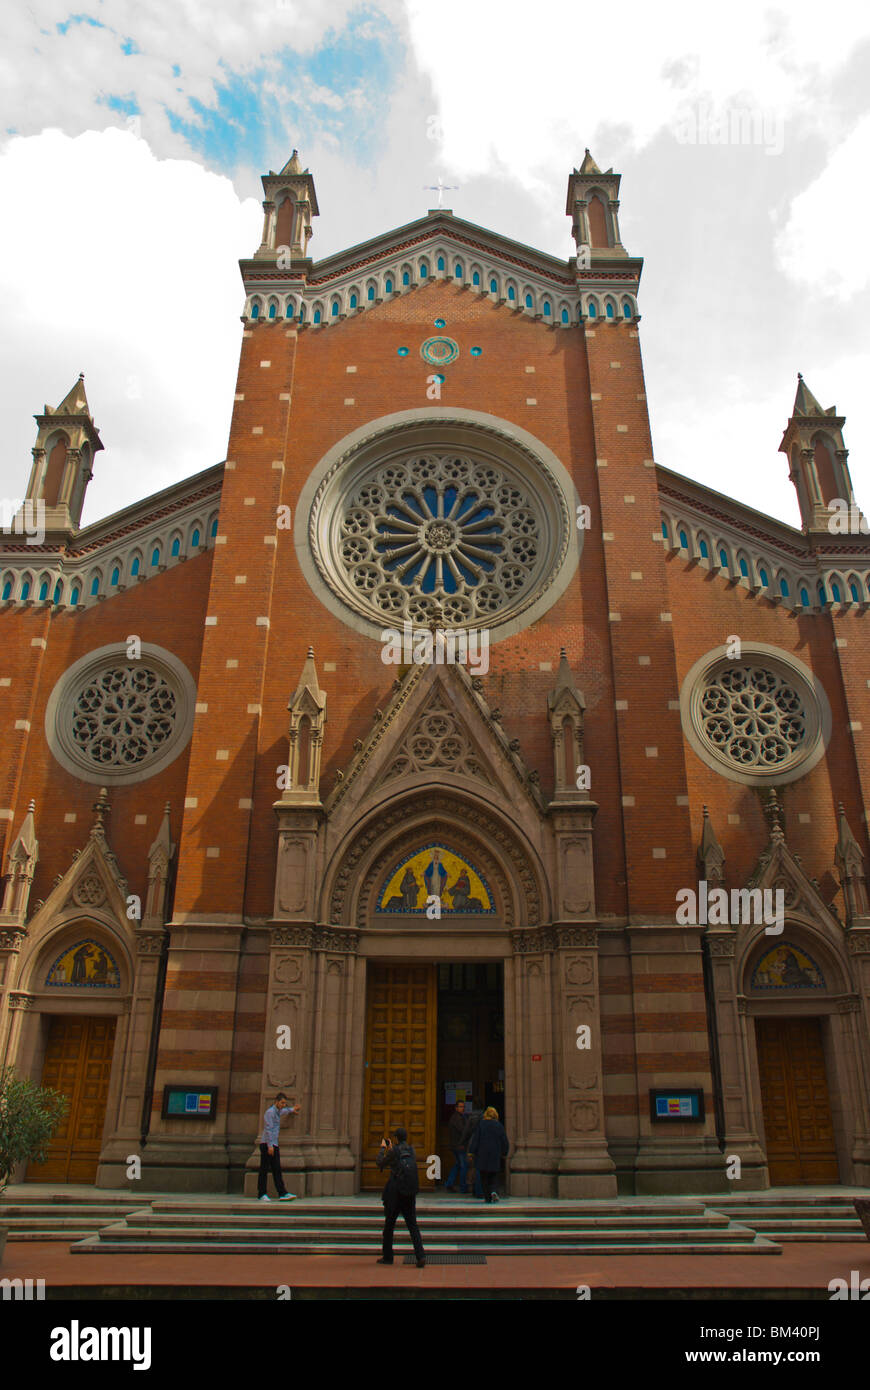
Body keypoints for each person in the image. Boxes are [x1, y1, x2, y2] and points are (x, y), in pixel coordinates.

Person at [376, 1126, 426, 1267]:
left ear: (396, 1138)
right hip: (409, 1192)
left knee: (389, 1226)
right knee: (412, 1225)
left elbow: (380, 1163)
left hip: (395, 1193)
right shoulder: (411, 1150)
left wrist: (383, 1148)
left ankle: (388, 1256)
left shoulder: (394, 1151)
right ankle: (420, 1255)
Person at [257, 1091, 301, 1201]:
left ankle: (282, 1193)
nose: (283, 1105)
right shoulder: (270, 1112)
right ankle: (261, 1193)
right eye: (282, 1103)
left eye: (284, 1103)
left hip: (273, 1144)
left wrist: (292, 1109)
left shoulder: (278, 1111)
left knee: (276, 1169)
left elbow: (284, 1111)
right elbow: (268, 1129)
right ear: (276, 1102)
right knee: (264, 1169)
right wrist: (270, 1146)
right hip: (267, 1144)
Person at [468, 1105, 508, 1203]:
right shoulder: (499, 1126)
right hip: (495, 1154)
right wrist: (504, 1152)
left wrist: (471, 1152)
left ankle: (487, 1197)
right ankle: (493, 1191)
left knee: (484, 1176)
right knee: (494, 1175)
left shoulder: (481, 1124)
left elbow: (476, 1139)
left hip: (482, 1154)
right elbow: (504, 1141)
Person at [461, 1096, 484, 1198]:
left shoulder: (471, 1117)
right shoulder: (484, 1116)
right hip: (482, 1144)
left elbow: (466, 1131)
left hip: (472, 1143)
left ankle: (472, 1187)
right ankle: (480, 1189)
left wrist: (462, 1142)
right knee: (480, 1167)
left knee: (471, 1167)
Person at [445, 1099, 468, 1193]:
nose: (462, 1108)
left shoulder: (459, 1117)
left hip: (456, 1145)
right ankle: (463, 1187)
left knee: (458, 1164)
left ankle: (449, 1183)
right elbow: (463, 1131)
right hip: (459, 1146)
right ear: (456, 1108)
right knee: (463, 1166)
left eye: (463, 1107)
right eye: (460, 1106)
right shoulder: (457, 1118)